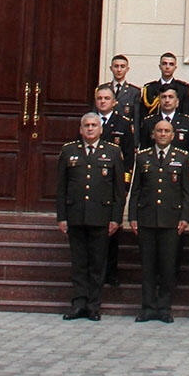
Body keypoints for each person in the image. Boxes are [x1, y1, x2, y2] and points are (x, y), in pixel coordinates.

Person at [56, 113, 125, 322]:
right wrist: (62, 217)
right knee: (79, 263)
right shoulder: (69, 151)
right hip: (76, 214)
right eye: (86, 126)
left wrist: (116, 218)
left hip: (100, 217)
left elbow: (118, 191)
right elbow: (61, 188)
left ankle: (94, 305)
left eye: (94, 125)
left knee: (97, 263)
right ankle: (78, 303)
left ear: (101, 129)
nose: (90, 129)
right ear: (80, 129)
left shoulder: (112, 152)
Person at [128, 119, 189, 323]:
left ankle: (164, 307)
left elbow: (185, 192)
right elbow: (136, 190)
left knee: (167, 265)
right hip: (146, 219)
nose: (163, 134)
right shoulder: (143, 157)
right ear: (153, 134)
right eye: (159, 131)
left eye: (167, 131)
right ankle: (147, 307)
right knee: (147, 266)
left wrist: (184, 217)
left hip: (171, 220)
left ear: (173, 135)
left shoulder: (181, 157)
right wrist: (133, 217)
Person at [93, 85, 134, 288]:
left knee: (112, 231)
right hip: (93, 186)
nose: (102, 101)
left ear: (114, 102)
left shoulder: (123, 124)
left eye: (106, 98)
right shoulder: (90, 122)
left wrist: (124, 185)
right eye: (99, 98)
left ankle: (111, 272)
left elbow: (128, 159)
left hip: (113, 185)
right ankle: (95, 273)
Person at [139, 85, 189, 181]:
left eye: (171, 97)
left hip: (179, 178)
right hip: (153, 178)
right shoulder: (149, 122)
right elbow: (143, 154)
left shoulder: (187, 123)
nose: (167, 100)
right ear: (159, 101)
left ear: (177, 102)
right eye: (163, 97)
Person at [97, 54, 142, 136]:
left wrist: (135, 142)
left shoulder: (134, 92)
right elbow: (95, 112)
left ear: (127, 69)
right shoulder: (102, 89)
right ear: (111, 68)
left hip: (124, 132)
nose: (119, 70)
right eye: (116, 66)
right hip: (104, 130)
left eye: (122, 66)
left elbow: (136, 119)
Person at [141, 52, 189, 119]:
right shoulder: (150, 89)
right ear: (160, 66)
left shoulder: (183, 89)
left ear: (175, 67)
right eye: (164, 64)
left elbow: (187, 113)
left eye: (171, 64)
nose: (167, 67)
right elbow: (143, 114)